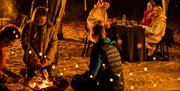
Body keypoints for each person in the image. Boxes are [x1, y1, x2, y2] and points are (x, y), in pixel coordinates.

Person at [71, 24, 124, 91]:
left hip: (108, 87)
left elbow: (92, 76)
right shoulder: (113, 46)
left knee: (75, 83)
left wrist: (78, 77)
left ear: (93, 35)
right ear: (105, 33)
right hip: (119, 86)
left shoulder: (98, 50)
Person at [21, 6, 58, 79]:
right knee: (32, 79)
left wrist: (47, 58)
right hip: (32, 60)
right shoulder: (29, 27)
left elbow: (54, 43)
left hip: (46, 61)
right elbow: (25, 42)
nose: (41, 21)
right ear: (35, 17)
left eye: (43, 19)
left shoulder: (51, 28)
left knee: (49, 79)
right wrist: (34, 58)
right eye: (39, 19)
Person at [0, 25, 22, 91]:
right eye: (12, 41)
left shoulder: (2, 47)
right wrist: (11, 80)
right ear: (6, 38)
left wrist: (14, 75)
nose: (12, 44)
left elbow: (2, 67)